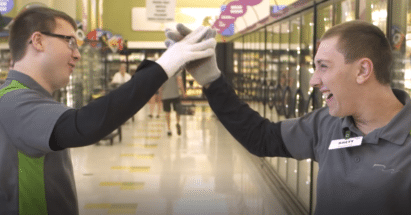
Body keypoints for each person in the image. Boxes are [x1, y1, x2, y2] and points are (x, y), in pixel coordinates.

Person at [166, 21, 411, 214]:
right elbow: (261, 137)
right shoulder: (327, 123)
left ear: (362, 70)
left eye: (323, 66)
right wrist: (211, 79)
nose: (314, 80)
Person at [0, 7, 216, 214]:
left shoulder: (25, 96)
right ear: (38, 41)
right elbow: (82, 126)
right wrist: (163, 66)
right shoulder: (13, 99)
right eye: (70, 42)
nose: (77, 55)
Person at [159, 70, 186, 136]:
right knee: (178, 110)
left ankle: (169, 129)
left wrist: (160, 95)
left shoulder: (162, 72)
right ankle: (177, 122)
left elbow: (159, 85)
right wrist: (183, 92)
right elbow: (179, 80)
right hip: (175, 94)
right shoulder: (176, 70)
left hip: (165, 95)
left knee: (167, 112)